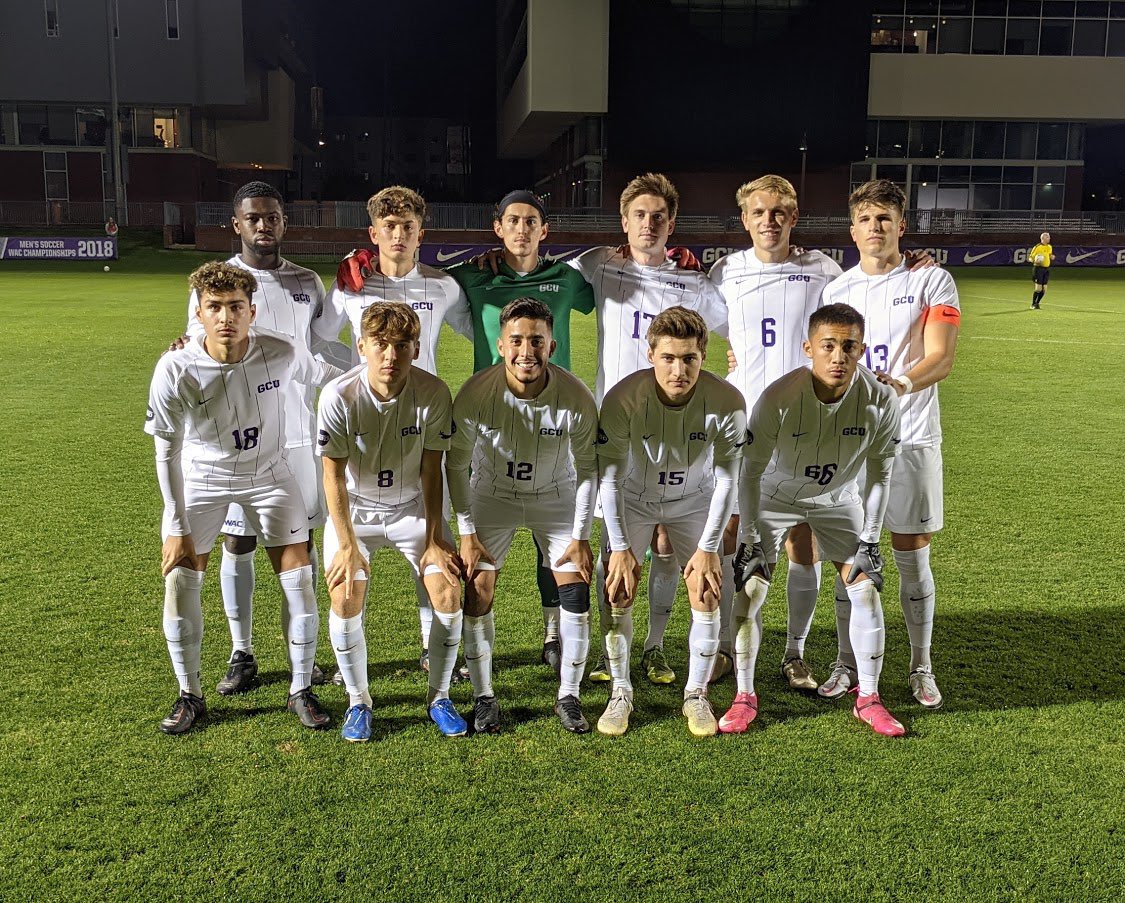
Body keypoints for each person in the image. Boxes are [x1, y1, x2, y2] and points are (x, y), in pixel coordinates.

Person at [146, 261, 342, 734]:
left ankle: (301, 688)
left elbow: (323, 375)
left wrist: (382, 372)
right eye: (215, 307)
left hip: (271, 475)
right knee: (180, 578)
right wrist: (175, 525)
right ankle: (189, 694)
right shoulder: (175, 367)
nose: (226, 317)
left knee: (299, 577)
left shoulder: (280, 350)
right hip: (204, 478)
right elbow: (165, 450)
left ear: (252, 311)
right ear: (199, 312)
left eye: (235, 306)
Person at [177, 181, 349, 697]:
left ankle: (306, 658)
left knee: (301, 545)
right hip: (236, 436)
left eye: (271, 217)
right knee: (239, 540)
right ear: (237, 224)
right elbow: (195, 344)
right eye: (253, 218)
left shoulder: (306, 282)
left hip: (298, 435)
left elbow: (321, 348)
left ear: (283, 222)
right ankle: (242, 651)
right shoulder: (222, 283)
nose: (263, 225)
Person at [572, 173, 730, 688]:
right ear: (624, 222)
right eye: (639, 215)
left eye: (659, 215)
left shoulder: (696, 284)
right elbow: (536, 268)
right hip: (616, 428)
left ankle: (656, 647)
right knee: (616, 544)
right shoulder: (601, 264)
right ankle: (608, 649)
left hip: (678, 429)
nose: (648, 223)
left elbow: (740, 327)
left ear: (672, 223)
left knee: (666, 547)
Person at [722, 303, 905, 737]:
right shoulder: (778, 398)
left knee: (866, 592)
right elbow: (749, 471)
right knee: (751, 586)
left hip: (837, 500)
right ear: (809, 348)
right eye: (828, 346)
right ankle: (744, 695)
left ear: (862, 350)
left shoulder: (881, 398)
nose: (838, 356)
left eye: (849, 346)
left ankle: (869, 698)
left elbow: (881, 473)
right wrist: (749, 537)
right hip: (774, 495)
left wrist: (871, 540)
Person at [319, 185, 473, 672]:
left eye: (408, 226)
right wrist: (349, 381)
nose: (399, 234)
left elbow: (485, 327)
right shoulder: (350, 285)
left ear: (421, 233)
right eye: (389, 227)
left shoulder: (444, 286)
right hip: (365, 423)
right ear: (373, 233)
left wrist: (490, 270)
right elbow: (315, 340)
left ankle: (434, 652)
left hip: (424, 423)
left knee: (433, 555)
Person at [820, 179, 960, 709]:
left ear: (902, 226)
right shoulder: (837, 290)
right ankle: (843, 662)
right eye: (865, 219)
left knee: (911, 552)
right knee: (848, 554)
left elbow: (941, 358)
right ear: (852, 229)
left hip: (913, 436)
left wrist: (897, 383)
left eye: (885, 219)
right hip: (849, 442)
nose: (875, 228)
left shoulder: (932, 281)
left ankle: (921, 665)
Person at [709, 174, 843, 693]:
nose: (769, 221)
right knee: (731, 535)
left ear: (794, 217)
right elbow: (701, 326)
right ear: (744, 219)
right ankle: (723, 646)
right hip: (743, 424)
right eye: (759, 212)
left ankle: (795, 653)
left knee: (801, 542)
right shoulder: (725, 272)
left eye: (780, 212)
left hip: (808, 424)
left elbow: (857, 308)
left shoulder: (822, 271)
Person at [447, 298, 600, 734]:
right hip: (493, 494)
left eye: (536, 340)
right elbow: (456, 466)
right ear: (501, 344)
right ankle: (483, 697)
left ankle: (568, 696)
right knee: (477, 588)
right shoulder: (477, 392)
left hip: (555, 494)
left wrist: (581, 534)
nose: (526, 351)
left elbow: (588, 469)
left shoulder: (574, 396)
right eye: (516, 340)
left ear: (552, 345)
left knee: (575, 587)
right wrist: (467, 531)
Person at [317, 302, 466, 742]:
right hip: (356, 511)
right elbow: (332, 477)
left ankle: (439, 696)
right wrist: (346, 544)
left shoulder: (435, 394)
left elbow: (432, 469)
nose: (390, 356)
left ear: (416, 349)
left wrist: (436, 536)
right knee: (344, 595)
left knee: (448, 590)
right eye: (380, 345)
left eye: (401, 345)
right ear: (361, 346)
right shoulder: (338, 396)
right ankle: (358, 702)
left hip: (410, 508)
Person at [596, 307, 745, 738]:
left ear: (704, 356)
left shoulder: (727, 401)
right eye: (668, 358)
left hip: (693, 501)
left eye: (689, 359)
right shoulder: (623, 398)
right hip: (634, 500)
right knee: (618, 590)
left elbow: (727, 480)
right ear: (650, 355)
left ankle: (695, 694)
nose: (679, 370)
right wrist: (621, 547)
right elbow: (607, 477)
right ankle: (620, 691)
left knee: (706, 588)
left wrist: (709, 547)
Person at [1028, 231, 1054, 310]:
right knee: (1038, 289)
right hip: (1038, 269)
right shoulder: (1037, 247)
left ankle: (1037, 303)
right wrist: (1035, 261)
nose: (1049, 238)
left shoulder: (1049, 246)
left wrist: (1051, 256)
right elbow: (1030, 258)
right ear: (1043, 238)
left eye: (1049, 237)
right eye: (1047, 237)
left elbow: (1049, 254)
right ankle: (1033, 304)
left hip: (1046, 269)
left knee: (1044, 289)